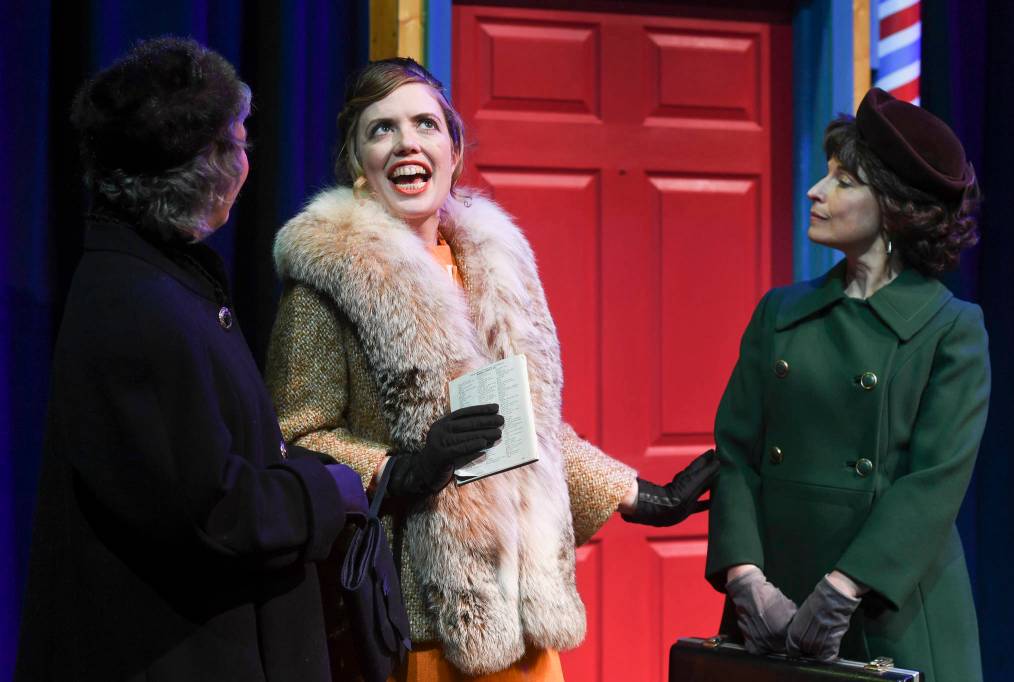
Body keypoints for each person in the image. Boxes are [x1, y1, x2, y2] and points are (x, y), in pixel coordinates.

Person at [265, 57, 719, 681]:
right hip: (415, 621)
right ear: (357, 166)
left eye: (425, 123)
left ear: (453, 150)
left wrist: (636, 495)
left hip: (524, 617)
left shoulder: (495, 267)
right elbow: (295, 440)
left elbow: (526, 425)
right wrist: (399, 472)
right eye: (381, 129)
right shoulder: (326, 285)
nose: (406, 144)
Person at [15, 38, 369, 682]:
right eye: (236, 140)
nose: (248, 160)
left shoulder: (165, 282)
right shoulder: (137, 305)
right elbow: (211, 513)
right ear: (203, 166)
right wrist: (328, 491)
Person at [705, 87, 988, 682]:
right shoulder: (780, 312)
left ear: (894, 206)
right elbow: (734, 455)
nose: (816, 191)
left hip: (887, 606)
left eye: (843, 180)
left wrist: (842, 589)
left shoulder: (949, 329)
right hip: (773, 609)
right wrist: (745, 577)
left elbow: (933, 481)